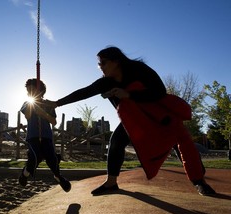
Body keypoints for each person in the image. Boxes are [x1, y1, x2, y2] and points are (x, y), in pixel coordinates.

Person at [48, 46, 215, 196]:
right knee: (117, 140)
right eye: (99, 64)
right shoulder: (105, 83)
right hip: (135, 119)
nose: (101, 67)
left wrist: (129, 94)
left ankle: (199, 181)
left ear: (116, 61)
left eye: (104, 63)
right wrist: (56, 103)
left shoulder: (139, 70)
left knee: (178, 141)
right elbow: (84, 92)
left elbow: (160, 92)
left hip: (157, 114)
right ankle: (111, 183)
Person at [18, 78, 71, 192]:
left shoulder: (48, 104)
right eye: (28, 91)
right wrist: (33, 104)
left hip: (47, 136)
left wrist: (43, 113)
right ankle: (25, 173)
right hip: (33, 136)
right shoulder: (27, 103)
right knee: (35, 157)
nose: (30, 92)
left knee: (52, 158)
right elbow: (27, 116)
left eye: (33, 90)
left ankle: (58, 177)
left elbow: (53, 121)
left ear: (41, 90)